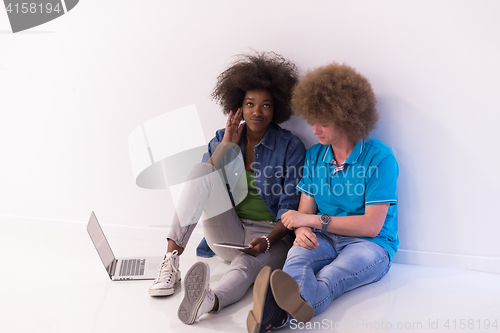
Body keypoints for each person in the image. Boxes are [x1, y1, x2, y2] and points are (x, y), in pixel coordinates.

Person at [149, 52, 306, 326]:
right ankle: (171, 261)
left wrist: (268, 241)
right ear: (239, 106)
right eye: (250, 104)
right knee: (201, 170)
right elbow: (201, 183)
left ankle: (209, 300)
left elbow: (289, 208)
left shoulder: (290, 147)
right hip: (228, 233)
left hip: (271, 238)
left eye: (266, 105)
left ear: (276, 108)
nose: (257, 112)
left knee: (246, 267)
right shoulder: (223, 137)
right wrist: (225, 149)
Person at [247, 63, 399, 332]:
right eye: (312, 121)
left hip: (370, 245)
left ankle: (277, 315)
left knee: (332, 276)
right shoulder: (316, 155)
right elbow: (306, 207)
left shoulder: (379, 158)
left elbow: (370, 225)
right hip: (323, 237)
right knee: (296, 261)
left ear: (347, 118)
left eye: (323, 124)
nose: (314, 130)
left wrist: (310, 220)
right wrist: (304, 228)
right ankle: (281, 312)